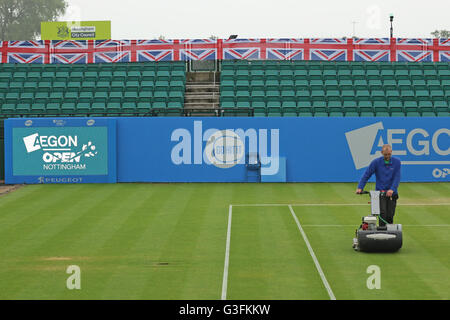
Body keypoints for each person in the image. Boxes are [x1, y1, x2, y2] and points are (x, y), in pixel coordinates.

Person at [356, 144, 401, 226]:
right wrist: (360, 187)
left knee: (390, 215)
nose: (387, 156)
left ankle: (390, 233)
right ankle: (382, 232)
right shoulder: (376, 162)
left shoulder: (397, 162)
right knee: (382, 214)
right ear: (381, 153)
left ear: (391, 152)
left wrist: (392, 189)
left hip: (392, 193)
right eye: (385, 154)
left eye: (389, 154)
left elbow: (397, 177)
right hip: (380, 193)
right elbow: (367, 174)